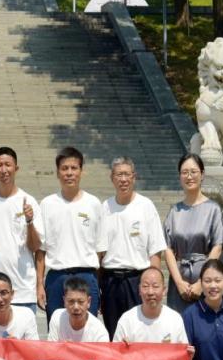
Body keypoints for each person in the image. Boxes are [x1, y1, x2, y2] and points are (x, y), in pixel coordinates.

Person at [100, 157, 167, 339]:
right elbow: (100, 253)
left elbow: (155, 251)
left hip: (137, 281)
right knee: (114, 335)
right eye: (119, 175)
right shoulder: (105, 207)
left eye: (127, 174)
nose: (123, 179)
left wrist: (152, 285)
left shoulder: (145, 206)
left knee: (140, 333)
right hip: (111, 282)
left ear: (134, 177)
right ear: (112, 178)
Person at [37, 147, 104, 326]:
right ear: (57, 172)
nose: (69, 173)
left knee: (87, 332)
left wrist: (99, 285)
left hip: (87, 276)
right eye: (64, 168)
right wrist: (39, 285)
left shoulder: (94, 204)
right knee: (57, 331)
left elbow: (100, 250)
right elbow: (41, 250)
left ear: (81, 171)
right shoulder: (47, 204)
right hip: (57, 277)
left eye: (74, 168)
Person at [0, 147, 43, 314]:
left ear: (16, 168)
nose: (4, 170)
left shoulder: (28, 201)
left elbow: (36, 247)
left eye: (8, 165)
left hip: (23, 290)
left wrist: (29, 221)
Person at [164, 154, 223, 314]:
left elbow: (217, 247)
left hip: (206, 281)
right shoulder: (174, 211)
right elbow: (168, 250)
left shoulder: (213, 209)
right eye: (184, 172)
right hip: (179, 280)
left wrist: (202, 282)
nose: (189, 176)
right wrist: (179, 282)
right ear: (180, 176)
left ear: (202, 174)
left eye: (193, 171)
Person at [113, 267, 189, 344]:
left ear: (164, 290)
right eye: (145, 286)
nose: (150, 292)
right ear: (139, 290)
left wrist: (188, 351)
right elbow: (115, 350)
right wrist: (121, 347)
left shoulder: (175, 319)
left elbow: (183, 349)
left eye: (155, 286)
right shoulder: (127, 319)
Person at [0, 273, 39, 340]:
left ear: (12, 294)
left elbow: (34, 346)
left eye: (4, 293)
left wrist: (17, 344)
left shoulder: (27, 315)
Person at [47, 277, 109, 343]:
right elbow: (50, 348)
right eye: (71, 301)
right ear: (64, 301)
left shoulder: (99, 331)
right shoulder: (57, 318)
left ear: (88, 302)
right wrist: (63, 347)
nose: (76, 307)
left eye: (81, 302)